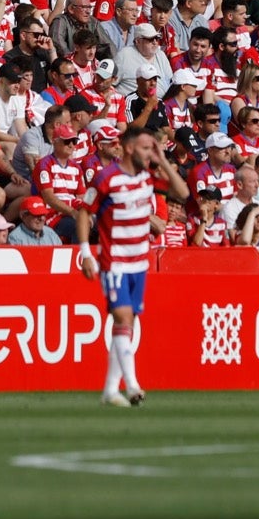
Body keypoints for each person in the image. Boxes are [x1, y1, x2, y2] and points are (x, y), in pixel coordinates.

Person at [74, 125, 187, 407]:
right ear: (128, 148)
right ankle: (133, 386)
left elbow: (182, 192)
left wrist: (162, 160)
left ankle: (110, 390)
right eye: (147, 147)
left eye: (153, 148)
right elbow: (85, 212)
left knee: (127, 324)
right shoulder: (106, 178)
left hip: (140, 261)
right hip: (114, 261)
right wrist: (86, 252)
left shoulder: (148, 177)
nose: (150, 152)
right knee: (123, 318)